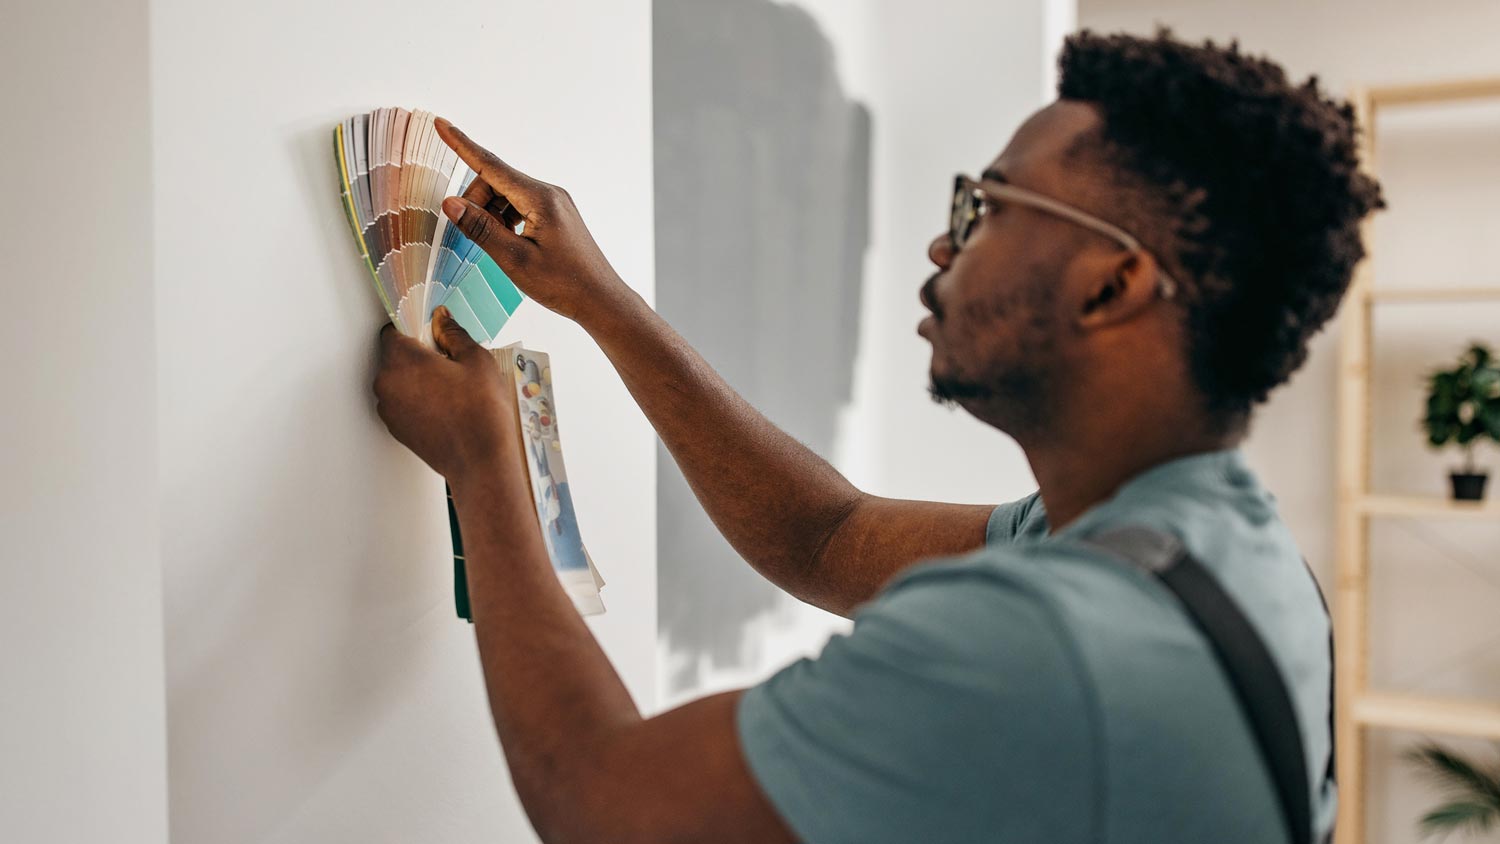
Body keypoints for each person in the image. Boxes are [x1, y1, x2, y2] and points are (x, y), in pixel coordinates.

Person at [371, 28, 1383, 844]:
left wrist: (484, 462)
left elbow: (599, 803)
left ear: (1113, 283)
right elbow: (827, 536)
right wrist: (603, 303)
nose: (946, 242)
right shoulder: (1207, 549)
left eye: (986, 207)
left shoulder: (1057, 642)